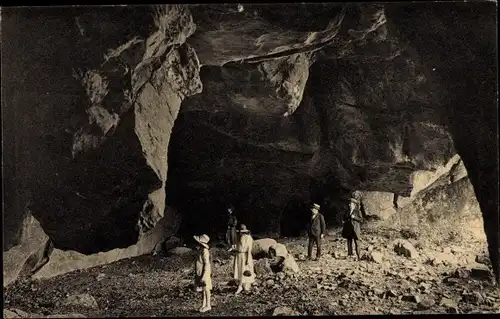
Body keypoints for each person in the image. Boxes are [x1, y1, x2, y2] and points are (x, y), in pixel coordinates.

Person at [233, 224, 255, 295]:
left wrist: (248, 259)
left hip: (245, 255)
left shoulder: (248, 238)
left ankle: (246, 286)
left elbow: (249, 250)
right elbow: (236, 247)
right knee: (239, 270)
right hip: (239, 255)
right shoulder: (238, 237)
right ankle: (240, 285)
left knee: (245, 270)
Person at [193, 234, 213, 313]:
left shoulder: (205, 251)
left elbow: (207, 264)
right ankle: (203, 304)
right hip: (200, 271)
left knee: (206, 289)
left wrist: (204, 275)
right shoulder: (201, 250)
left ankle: (208, 305)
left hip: (205, 271)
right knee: (203, 289)